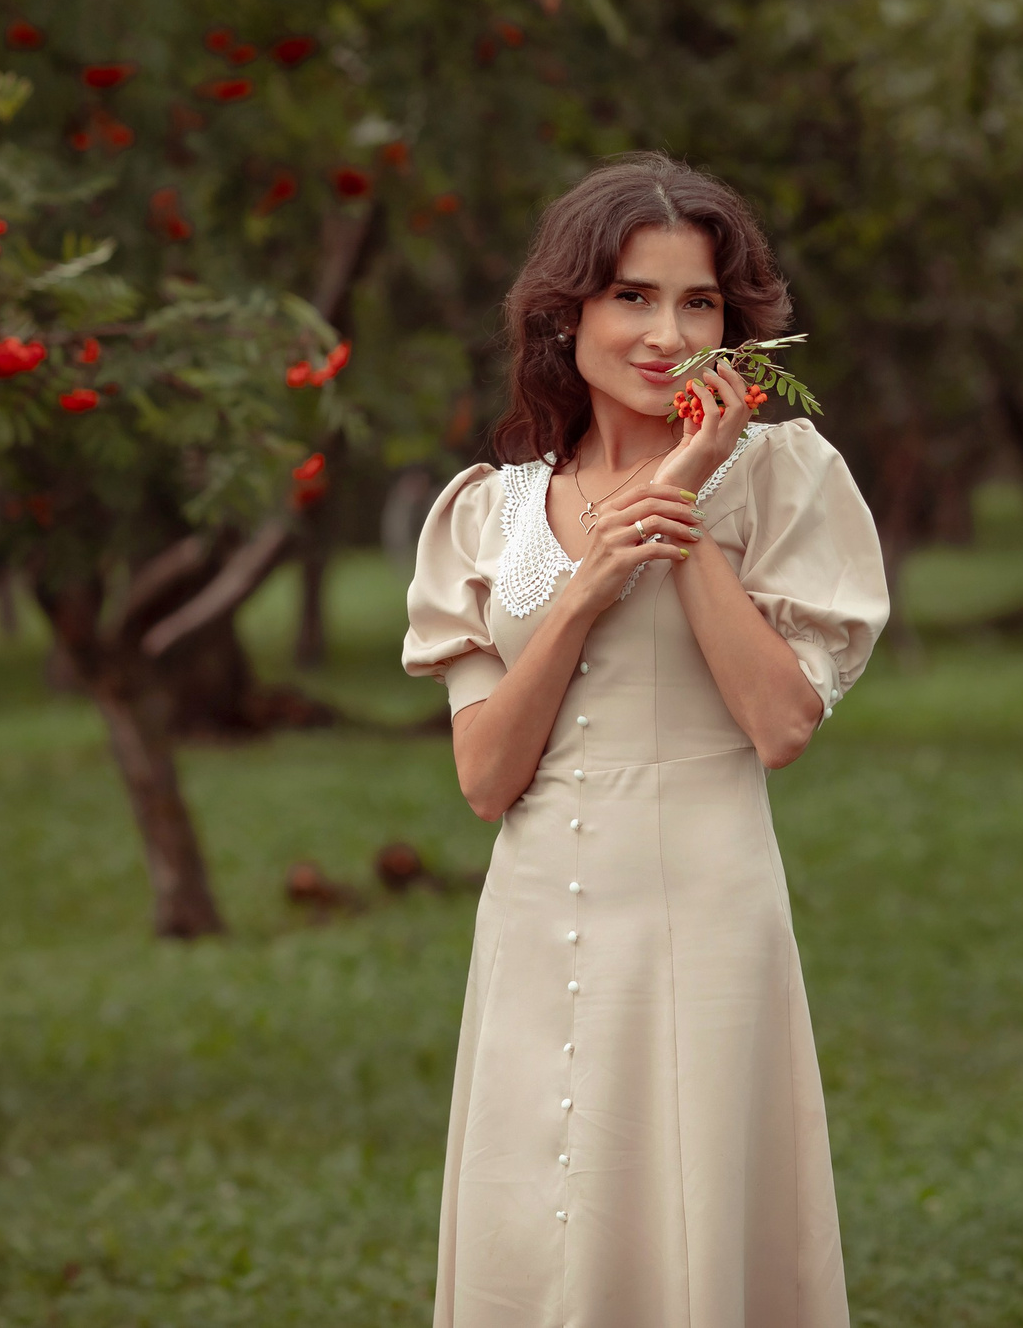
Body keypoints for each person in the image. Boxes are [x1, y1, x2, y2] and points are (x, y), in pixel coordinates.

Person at [402, 153, 891, 1328]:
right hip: (531, 923)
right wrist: (579, 593)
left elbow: (779, 725)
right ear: (566, 312)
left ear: (735, 325)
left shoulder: (783, 477)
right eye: (632, 296)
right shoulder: (490, 510)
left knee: (694, 1229)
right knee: (534, 1231)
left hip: (702, 915)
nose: (666, 332)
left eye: (699, 301)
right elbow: (485, 781)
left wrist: (685, 511)